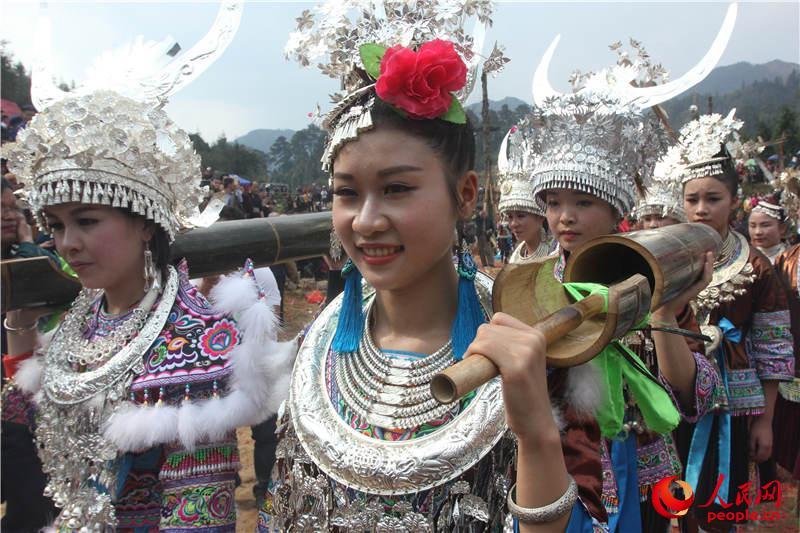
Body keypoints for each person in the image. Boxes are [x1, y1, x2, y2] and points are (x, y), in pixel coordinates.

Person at [259, 3, 607, 531]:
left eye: (397, 189)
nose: (367, 221)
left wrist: (536, 434)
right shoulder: (317, 345)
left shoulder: (540, 346)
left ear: (465, 195)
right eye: (347, 193)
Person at [2, 6, 294, 529]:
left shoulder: (196, 342)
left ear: (145, 223)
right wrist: (20, 323)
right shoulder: (81, 322)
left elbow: (199, 520)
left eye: (87, 220)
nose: (67, 244)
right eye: (56, 224)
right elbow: (24, 428)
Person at [528, 34, 730, 532]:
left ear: (616, 208)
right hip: (559, 473)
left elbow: (688, 398)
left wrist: (664, 309)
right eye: (552, 203)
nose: (564, 218)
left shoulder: (657, 273)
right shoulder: (530, 286)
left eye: (582, 203)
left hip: (644, 474)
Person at [666, 111, 794, 532]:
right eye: (692, 199)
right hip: (674, 402)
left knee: (724, 506)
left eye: (713, 198)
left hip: (736, 406)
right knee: (672, 502)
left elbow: (773, 346)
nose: (701, 209)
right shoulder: (665, 262)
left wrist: (765, 420)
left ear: (735, 201)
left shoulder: (757, 267)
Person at [497, 127, 552, 263]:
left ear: (540, 217)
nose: (514, 224)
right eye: (510, 217)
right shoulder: (516, 257)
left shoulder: (556, 255)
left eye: (521, 216)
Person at [748, 196, 787, 264]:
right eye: (753, 226)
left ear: (782, 228)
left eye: (765, 225)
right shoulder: (744, 259)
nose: (758, 232)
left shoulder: (793, 260)